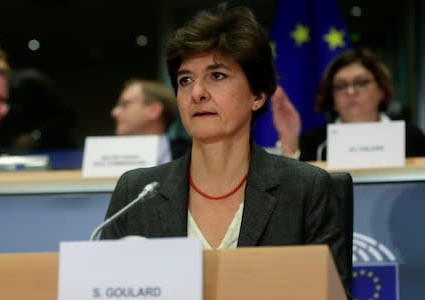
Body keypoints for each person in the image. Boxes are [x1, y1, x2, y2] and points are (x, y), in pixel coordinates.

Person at [101, 3, 348, 295]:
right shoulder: (137, 192)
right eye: (185, 80)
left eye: (216, 76)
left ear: (257, 94)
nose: (197, 93)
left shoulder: (306, 190)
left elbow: (334, 294)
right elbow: (105, 287)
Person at [273, 48, 425, 161]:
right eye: (341, 86)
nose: (351, 91)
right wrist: (290, 142)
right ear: (332, 99)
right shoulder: (315, 143)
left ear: (381, 90)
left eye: (361, 82)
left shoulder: (411, 137)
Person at [111, 78, 190, 163]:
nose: (114, 113)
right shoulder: (104, 155)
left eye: (125, 104)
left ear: (154, 110)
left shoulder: (191, 155)